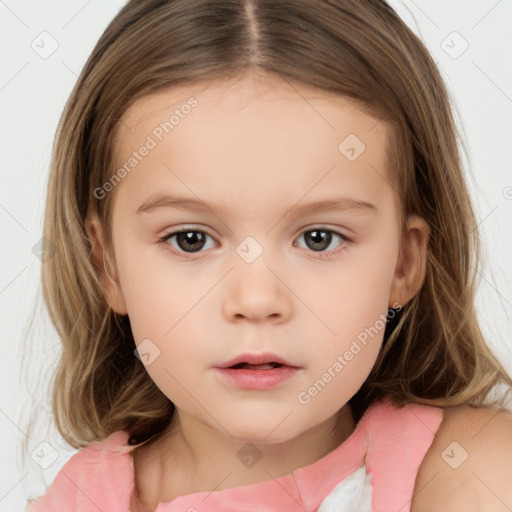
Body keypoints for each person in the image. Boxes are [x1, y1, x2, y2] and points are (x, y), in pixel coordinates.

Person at [24, 0, 512, 510]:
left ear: (404, 263)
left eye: (320, 238)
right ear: (108, 265)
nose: (257, 301)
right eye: (190, 239)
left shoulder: (476, 475)